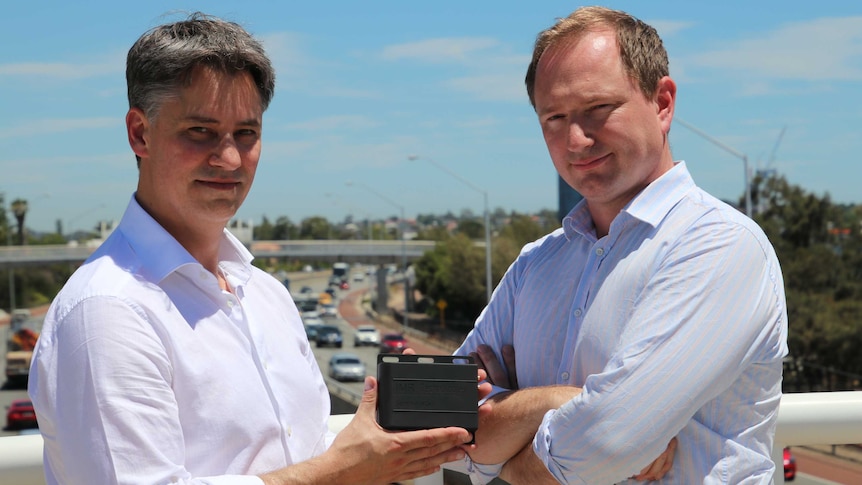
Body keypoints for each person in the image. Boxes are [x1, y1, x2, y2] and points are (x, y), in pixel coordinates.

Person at [28, 13, 480, 485]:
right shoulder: (107, 310)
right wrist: (342, 469)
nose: (228, 159)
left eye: (246, 134)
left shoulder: (265, 294)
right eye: (200, 132)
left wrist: (378, 437)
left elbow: (307, 454)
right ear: (140, 133)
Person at [455, 6, 788, 484]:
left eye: (597, 109)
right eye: (554, 117)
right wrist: (557, 403)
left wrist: (506, 449)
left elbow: (606, 443)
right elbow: (441, 426)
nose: (575, 139)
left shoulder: (720, 249)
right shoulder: (535, 264)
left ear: (663, 102)